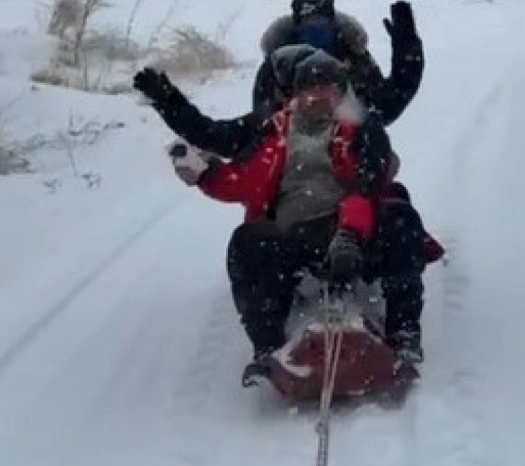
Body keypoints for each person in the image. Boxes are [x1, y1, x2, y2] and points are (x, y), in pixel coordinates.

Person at [132, 50, 427, 386]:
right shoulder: (268, 129)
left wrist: (348, 236)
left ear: (341, 92)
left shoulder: (363, 128)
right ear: (295, 94)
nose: (318, 96)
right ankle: (268, 348)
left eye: (328, 88)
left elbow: (368, 182)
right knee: (247, 242)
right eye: (310, 88)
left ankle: (404, 336)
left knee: (401, 218)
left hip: (356, 231)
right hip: (295, 236)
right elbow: (211, 134)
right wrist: (168, 101)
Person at [253, 0, 423, 126]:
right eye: (308, 23)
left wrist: (406, 49)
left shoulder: (354, 59)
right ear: (297, 25)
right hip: (292, 165)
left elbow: (387, 106)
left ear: (332, 22)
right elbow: (261, 127)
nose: (315, 28)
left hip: (352, 161)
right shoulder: (278, 67)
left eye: (321, 22)